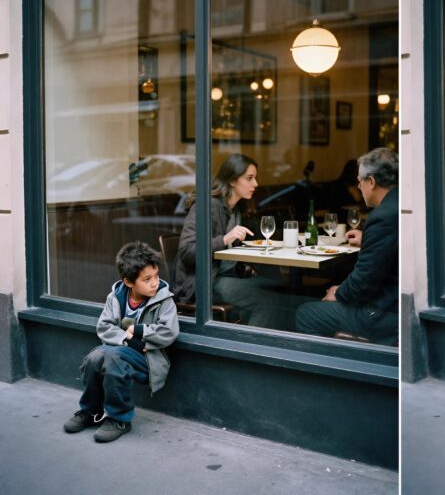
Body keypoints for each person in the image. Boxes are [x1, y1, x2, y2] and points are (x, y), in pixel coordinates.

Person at [62, 242, 179, 442]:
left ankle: (120, 419)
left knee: (111, 356)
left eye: (157, 276)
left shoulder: (164, 299)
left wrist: (140, 330)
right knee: (95, 357)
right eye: (147, 279)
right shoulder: (115, 297)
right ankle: (91, 412)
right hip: (121, 351)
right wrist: (129, 340)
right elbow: (104, 327)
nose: (155, 283)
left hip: (148, 359)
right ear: (129, 282)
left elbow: (169, 332)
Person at [174, 154, 295, 329]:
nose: (256, 184)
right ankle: (249, 351)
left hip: (225, 276)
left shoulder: (239, 208)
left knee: (277, 288)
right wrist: (224, 239)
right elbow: (187, 251)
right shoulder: (207, 206)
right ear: (232, 180)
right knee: (266, 301)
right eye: (249, 178)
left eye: (255, 178)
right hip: (204, 282)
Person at [295, 148, 398, 344]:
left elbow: (364, 282)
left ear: (372, 182)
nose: (359, 187)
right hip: (394, 306)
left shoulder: (382, 218)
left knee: (305, 313)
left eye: (359, 181)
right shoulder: (399, 204)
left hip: (382, 314)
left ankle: (332, 370)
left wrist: (340, 292)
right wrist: (366, 238)